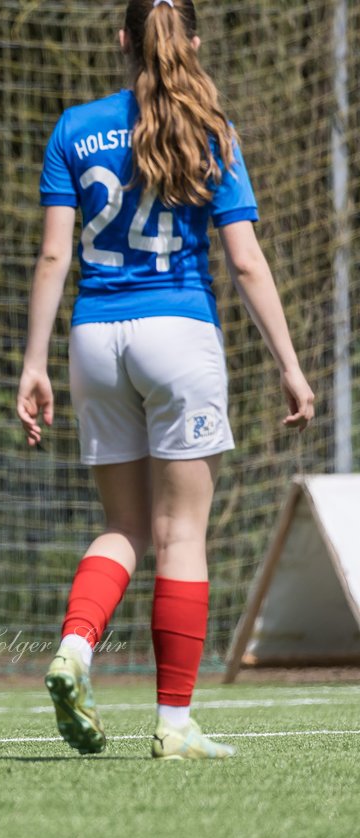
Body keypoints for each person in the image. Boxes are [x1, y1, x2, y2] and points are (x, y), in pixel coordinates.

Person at [16, 0, 315, 760]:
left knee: (121, 527)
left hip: (93, 336)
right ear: (195, 41)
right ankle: (174, 724)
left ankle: (75, 650)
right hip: (178, 332)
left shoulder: (75, 127)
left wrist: (32, 361)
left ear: (122, 40)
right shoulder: (209, 128)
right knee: (181, 534)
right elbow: (245, 260)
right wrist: (288, 363)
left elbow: (53, 257)